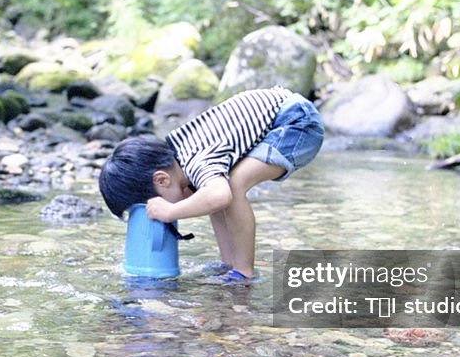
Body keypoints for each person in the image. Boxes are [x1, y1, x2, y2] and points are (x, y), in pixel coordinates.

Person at [98, 85, 324, 284]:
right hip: (282, 115)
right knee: (214, 188)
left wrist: (170, 211)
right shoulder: (179, 153)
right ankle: (229, 263)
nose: (155, 211)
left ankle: (243, 272)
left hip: (297, 122)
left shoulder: (197, 161)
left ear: (161, 179)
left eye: (153, 204)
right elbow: (211, 199)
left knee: (233, 187)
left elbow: (219, 197)